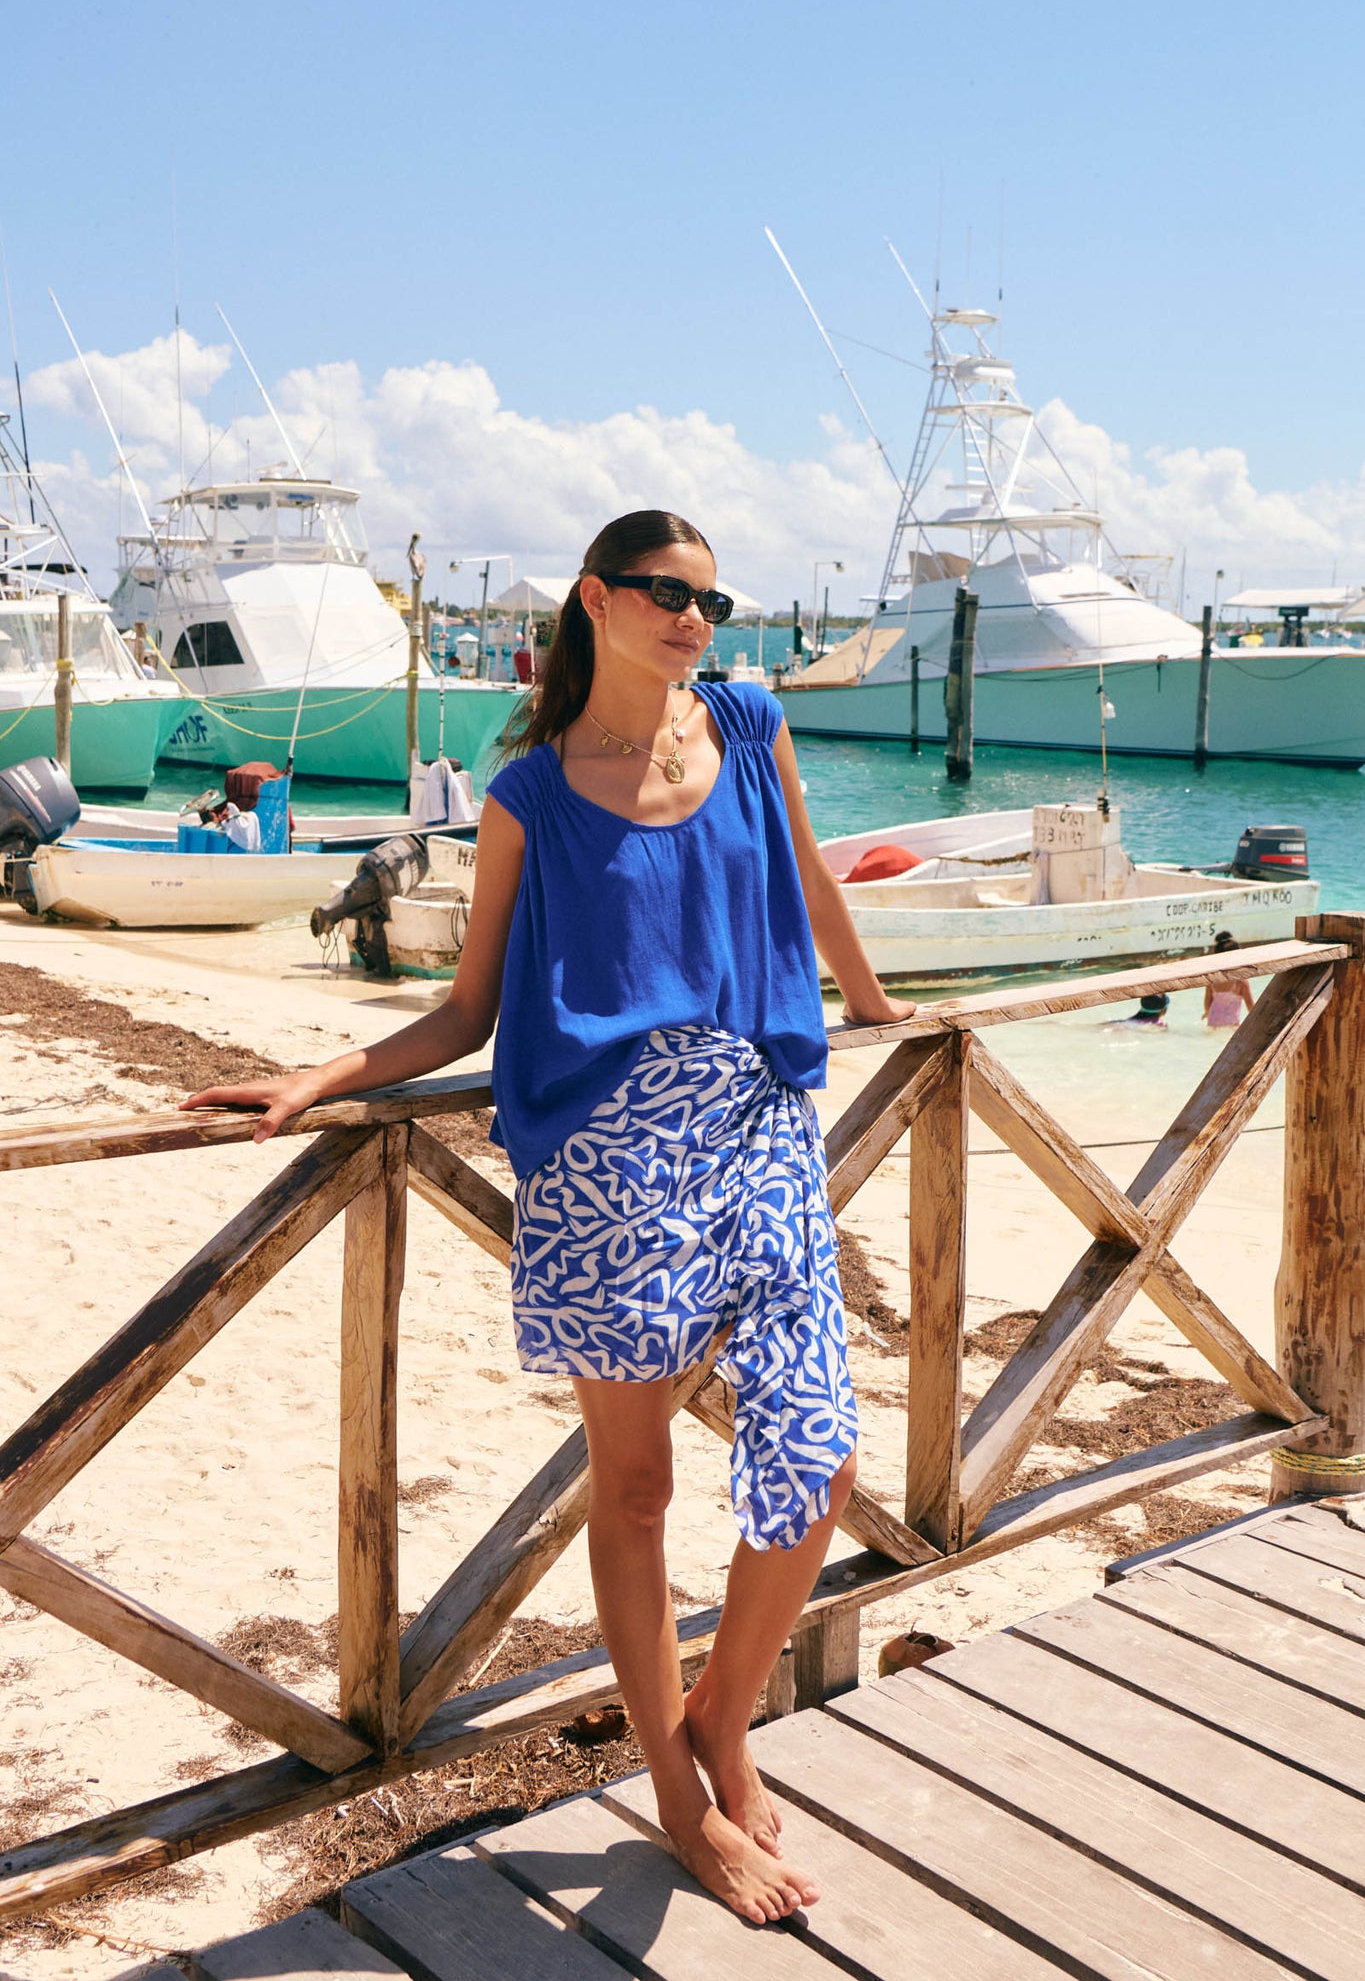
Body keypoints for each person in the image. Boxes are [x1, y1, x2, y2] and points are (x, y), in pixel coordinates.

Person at [181, 509, 917, 1925]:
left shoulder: (750, 726)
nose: (692, 618)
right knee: (634, 1487)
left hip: (756, 1122)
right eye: (663, 592)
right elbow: (469, 1007)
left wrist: (882, 1008)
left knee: (818, 1459)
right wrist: (322, 1074)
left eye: (708, 599)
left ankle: (722, 1711)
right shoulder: (530, 793)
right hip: (606, 1159)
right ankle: (681, 1795)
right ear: (595, 598)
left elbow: (813, 880)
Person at [1204, 930, 1255, 1029]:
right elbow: (1251, 1008)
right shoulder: (1241, 982)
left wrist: (1206, 1014)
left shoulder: (1212, 980)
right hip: (1232, 1027)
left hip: (1213, 1026)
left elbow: (1207, 1006)